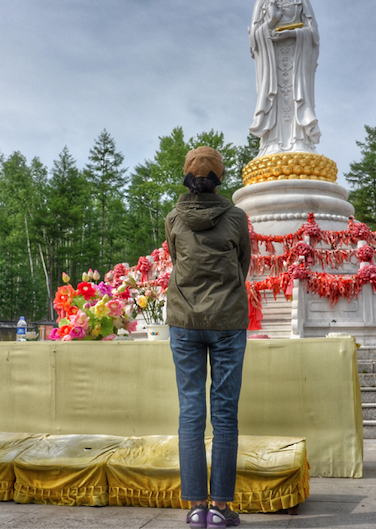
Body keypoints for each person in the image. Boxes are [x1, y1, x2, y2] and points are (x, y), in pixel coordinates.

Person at [165, 147, 252, 529]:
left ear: (186, 174)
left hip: (184, 321)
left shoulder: (174, 218)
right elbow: (243, 265)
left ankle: (196, 506)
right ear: (220, 178)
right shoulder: (236, 217)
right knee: (224, 414)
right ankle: (220, 508)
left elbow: (174, 259)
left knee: (190, 411)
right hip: (228, 321)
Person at [248, 0, 321, 157]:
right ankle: (271, 144)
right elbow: (253, 38)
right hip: (271, 61)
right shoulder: (262, 0)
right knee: (275, 97)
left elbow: (314, 34)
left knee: (295, 96)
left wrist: (293, 33)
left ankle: (300, 140)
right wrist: (270, 22)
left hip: (296, 60)